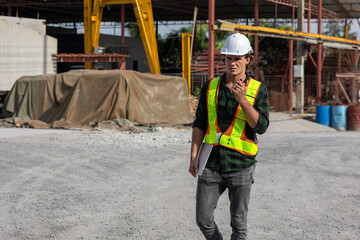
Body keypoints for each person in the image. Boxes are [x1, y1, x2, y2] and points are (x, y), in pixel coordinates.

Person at [189, 33, 269, 240]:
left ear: (247, 60)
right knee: (203, 219)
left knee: (239, 224)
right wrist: (194, 156)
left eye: (237, 58)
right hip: (211, 163)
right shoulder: (210, 87)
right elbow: (199, 123)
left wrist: (243, 101)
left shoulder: (258, 90)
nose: (232, 63)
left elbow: (260, 126)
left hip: (241, 164)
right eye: (228, 58)